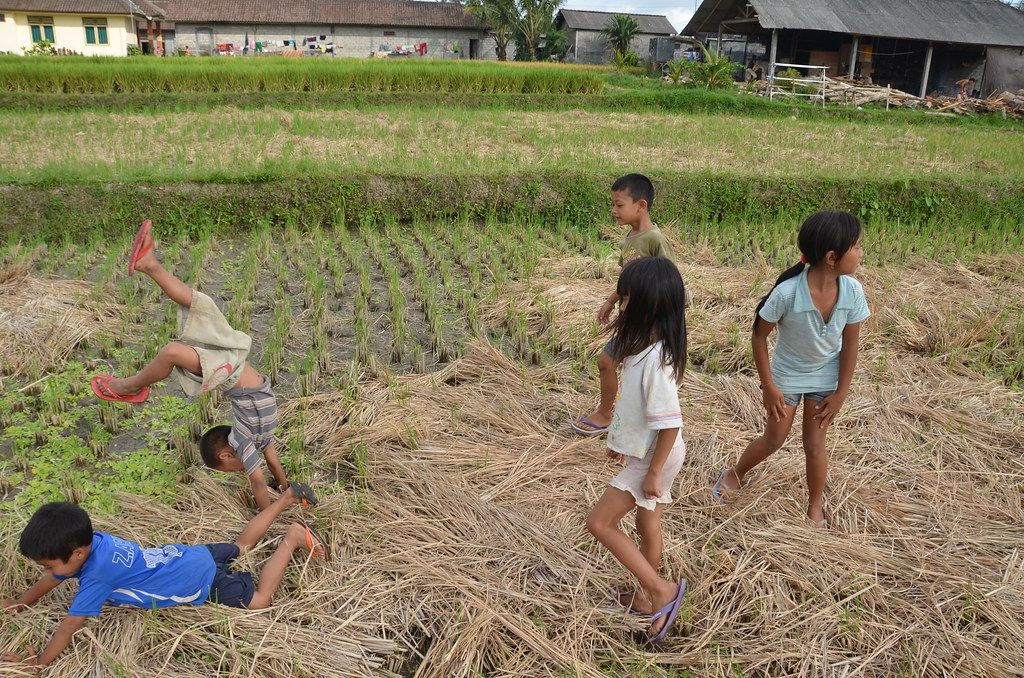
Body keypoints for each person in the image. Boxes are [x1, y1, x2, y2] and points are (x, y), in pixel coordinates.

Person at [90, 220, 301, 510]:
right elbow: (266, 474)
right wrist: (282, 493)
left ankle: (149, 267)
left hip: (233, 364)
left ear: (226, 455)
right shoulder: (256, 442)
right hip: (234, 364)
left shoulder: (245, 440)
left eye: (229, 471)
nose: (240, 470)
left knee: (192, 322)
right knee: (189, 328)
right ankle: (149, 267)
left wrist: (278, 498)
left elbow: (261, 479)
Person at [0, 490, 328, 670]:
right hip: (188, 555)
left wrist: (38, 663)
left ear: (76, 554)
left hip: (200, 580)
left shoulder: (98, 577)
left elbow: (70, 626)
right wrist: (20, 603)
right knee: (241, 546)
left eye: (47, 564)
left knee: (259, 600)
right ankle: (286, 498)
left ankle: (292, 539)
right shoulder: (94, 541)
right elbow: (55, 576)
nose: (46, 571)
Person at [712, 210, 869, 528]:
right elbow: (759, 335)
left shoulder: (853, 291)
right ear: (831, 257)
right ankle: (736, 473)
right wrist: (768, 386)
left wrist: (841, 393)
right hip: (786, 377)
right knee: (774, 440)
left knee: (815, 444)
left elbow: (851, 344)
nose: (861, 253)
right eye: (856, 246)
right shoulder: (787, 293)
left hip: (826, 377)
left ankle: (815, 505)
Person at [584, 256, 688, 644]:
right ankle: (645, 598)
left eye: (626, 298)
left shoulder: (656, 363)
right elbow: (639, 411)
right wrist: (624, 443)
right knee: (647, 525)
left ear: (649, 305)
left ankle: (661, 590)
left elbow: (670, 421)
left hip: (658, 457)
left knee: (599, 523)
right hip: (654, 452)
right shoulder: (644, 350)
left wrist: (653, 472)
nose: (621, 305)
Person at [572, 174, 675, 436]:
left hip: (649, 323)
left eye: (619, 205)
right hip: (631, 319)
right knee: (618, 365)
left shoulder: (655, 240)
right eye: (613, 205)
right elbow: (626, 278)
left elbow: (670, 282)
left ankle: (610, 415)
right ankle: (625, 416)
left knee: (611, 362)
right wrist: (611, 301)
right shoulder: (629, 238)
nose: (614, 211)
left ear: (641, 205)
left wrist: (659, 324)